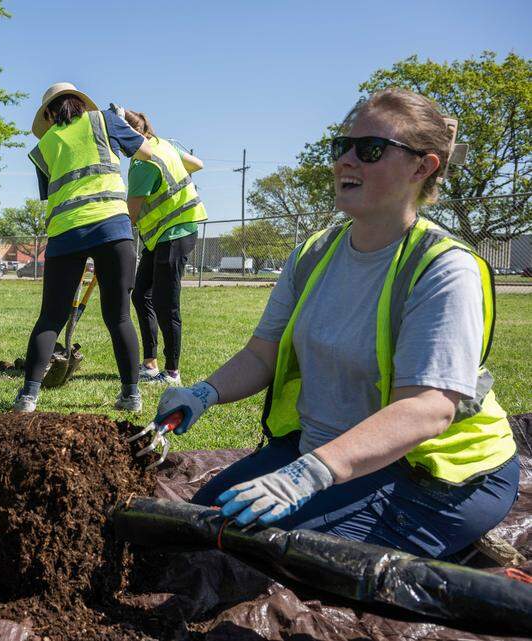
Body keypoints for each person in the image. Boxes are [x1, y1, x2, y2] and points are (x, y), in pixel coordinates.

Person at [154, 88, 518, 559]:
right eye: (341, 146)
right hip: (326, 454)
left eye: (369, 150)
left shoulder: (444, 268)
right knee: (198, 528)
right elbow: (262, 353)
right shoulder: (312, 254)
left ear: (422, 167)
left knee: (273, 561)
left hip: (436, 476)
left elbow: (429, 408)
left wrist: (309, 475)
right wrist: (202, 393)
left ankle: (465, 550)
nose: (346, 160)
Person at [14, 82, 159, 413]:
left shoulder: (43, 147)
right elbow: (146, 153)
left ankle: (28, 396)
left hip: (66, 233)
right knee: (119, 316)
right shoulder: (104, 121)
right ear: (80, 103)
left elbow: (52, 192)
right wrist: (119, 121)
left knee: (51, 317)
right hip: (112, 227)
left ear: (49, 113)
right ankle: (131, 395)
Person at [122, 109, 207, 386]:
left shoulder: (142, 163)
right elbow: (198, 163)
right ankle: (150, 363)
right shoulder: (164, 146)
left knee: (165, 302)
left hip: (175, 232)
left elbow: (129, 216)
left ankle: (171, 373)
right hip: (164, 235)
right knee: (141, 294)